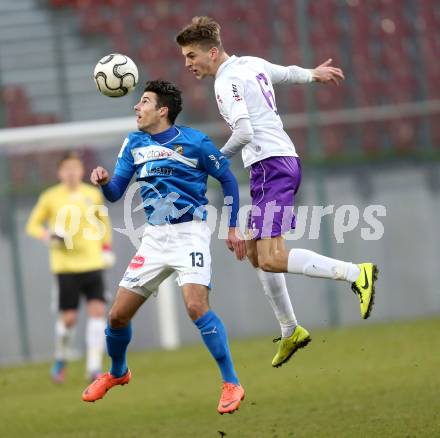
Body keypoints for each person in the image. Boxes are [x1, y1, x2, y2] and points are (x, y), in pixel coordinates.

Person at [175, 17, 379, 367]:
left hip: (271, 165)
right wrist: (314, 74)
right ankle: (290, 331)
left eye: (191, 55)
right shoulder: (250, 63)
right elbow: (286, 72)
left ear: (212, 52)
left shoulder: (226, 82)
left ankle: (355, 274)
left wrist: (210, 161)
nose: (187, 63)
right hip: (275, 163)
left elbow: (244, 132)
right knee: (256, 254)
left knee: (270, 257)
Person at [81, 80, 246, 415]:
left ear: (162, 110)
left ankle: (231, 382)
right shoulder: (134, 143)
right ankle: (117, 372)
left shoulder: (196, 142)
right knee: (116, 316)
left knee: (196, 307)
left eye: (143, 101)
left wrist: (232, 225)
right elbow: (115, 192)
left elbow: (227, 179)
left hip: (190, 233)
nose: (136, 107)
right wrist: (101, 182)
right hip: (156, 238)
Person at [26, 152, 114, 382]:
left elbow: (103, 223)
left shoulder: (93, 194)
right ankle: (61, 357)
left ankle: (93, 367)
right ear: (60, 172)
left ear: (81, 170)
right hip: (65, 266)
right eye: (67, 168)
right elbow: (33, 225)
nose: (72, 172)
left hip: (93, 263)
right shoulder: (50, 197)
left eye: (75, 167)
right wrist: (50, 235)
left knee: (97, 313)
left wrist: (106, 249)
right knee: (69, 319)